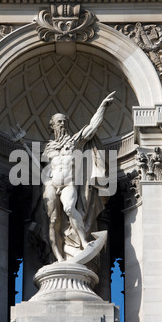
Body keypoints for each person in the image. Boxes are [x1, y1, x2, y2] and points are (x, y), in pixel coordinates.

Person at [42, 92, 115, 262]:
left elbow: (92, 127)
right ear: (52, 125)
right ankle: (59, 258)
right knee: (53, 221)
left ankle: (83, 242)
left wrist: (102, 107)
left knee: (69, 208)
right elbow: (44, 171)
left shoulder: (74, 141)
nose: (63, 123)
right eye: (59, 121)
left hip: (69, 184)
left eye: (64, 121)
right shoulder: (48, 148)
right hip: (52, 186)